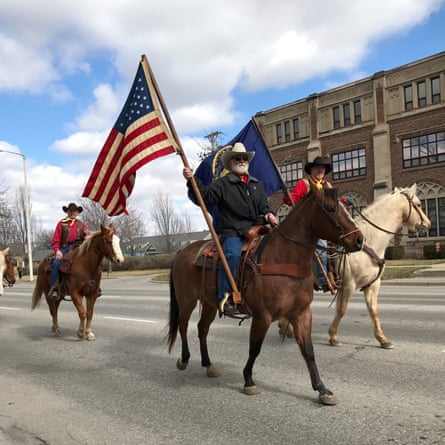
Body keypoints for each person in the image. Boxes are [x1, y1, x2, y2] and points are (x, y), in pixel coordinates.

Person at [183, 142, 278, 315]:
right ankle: (224, 296)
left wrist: (269, 214)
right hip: (232, 231)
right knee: (232, 255)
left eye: (244, 158)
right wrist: (192, 180)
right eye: (237, 158)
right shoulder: (223, 184)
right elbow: (205, 196)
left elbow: (264, 207)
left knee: (275, 251)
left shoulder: (257, 184)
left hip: (256, 229)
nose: (241, 161)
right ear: (231, 162)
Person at [283, 156, 338, 292]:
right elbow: (292, 199)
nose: (320, 170)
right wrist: (288, 196)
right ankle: (323, 279)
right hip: (306, 226)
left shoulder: (328, 186)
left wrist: (342, 200)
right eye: (317, 168)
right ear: (312, 170)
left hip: (323, 224)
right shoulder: (304, 184)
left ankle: (337, 274)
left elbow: (333, 204)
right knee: (321, 246)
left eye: (322, 168)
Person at [49, 202, 89, 299]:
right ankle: (54, 288)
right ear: (67, 212)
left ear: (77, 212)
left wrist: (88, 236)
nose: (73, 213)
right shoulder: (61, 224)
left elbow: (87, 236)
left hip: (78, 247)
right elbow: (55, 240)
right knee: (56, 263)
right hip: (64, 247)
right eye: (70, 211)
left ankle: (92, 285)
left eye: (74, 211)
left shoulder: (81, 225)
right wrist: (57, 251)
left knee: (90, 261)